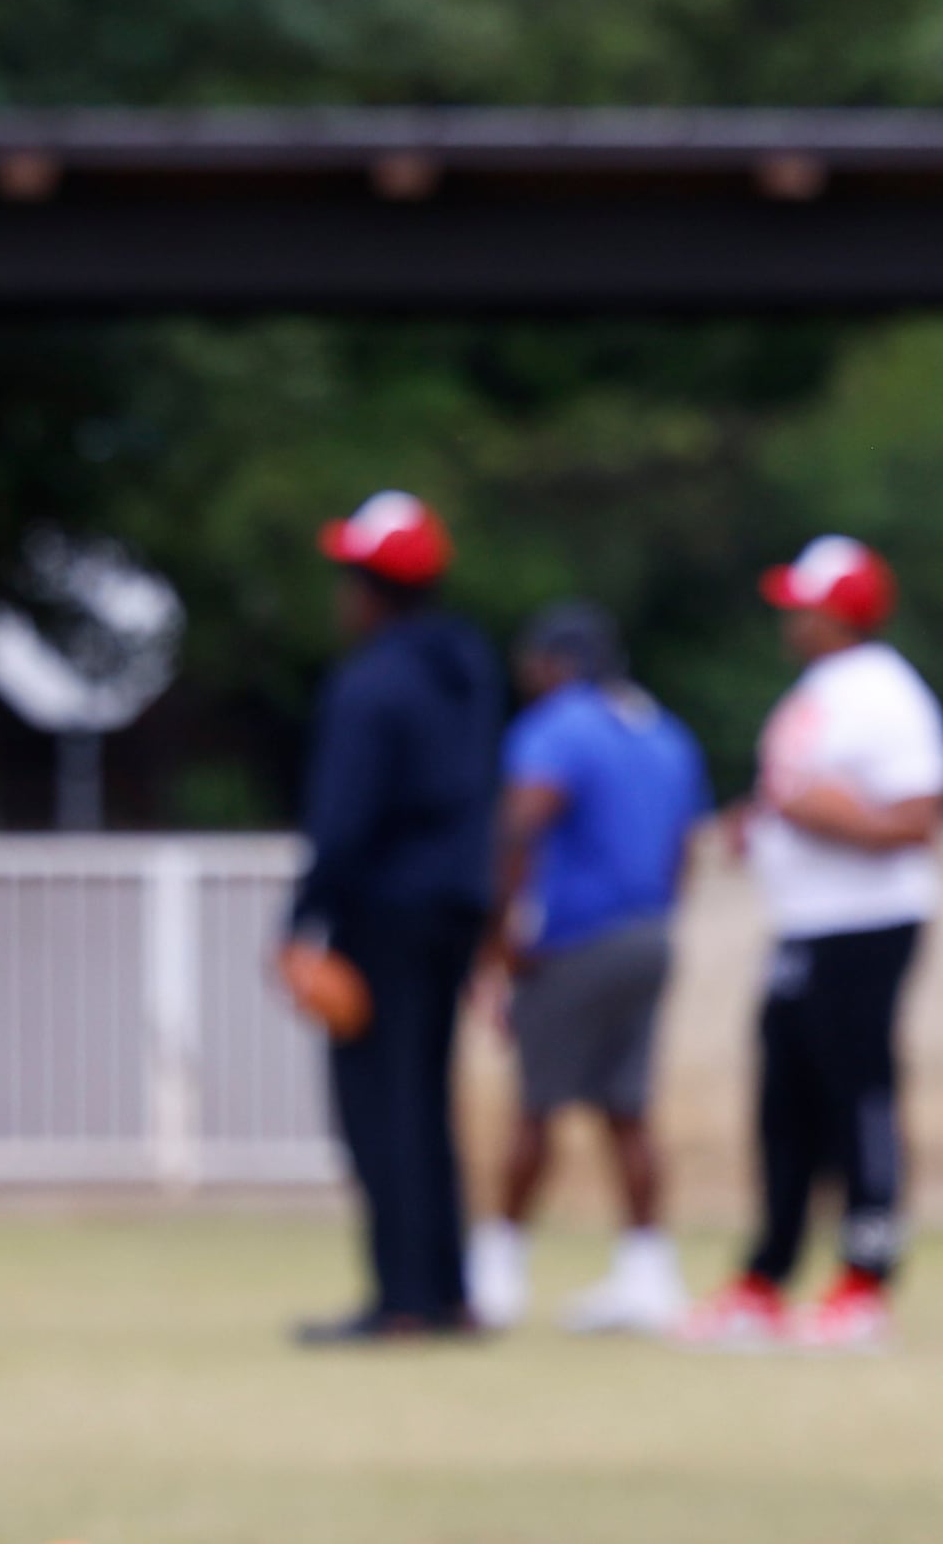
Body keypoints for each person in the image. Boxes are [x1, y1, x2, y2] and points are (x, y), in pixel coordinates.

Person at [678, 536, 943, 1354]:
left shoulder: (888, 694)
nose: (788, 618)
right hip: (802, 923)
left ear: (842, 611)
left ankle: (865, 1283)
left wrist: (829, 818)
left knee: (857, 1096)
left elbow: (919, 817)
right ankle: (765, 1278)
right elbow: (794, 798)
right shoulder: (821, 691)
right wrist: (755, 826)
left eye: (803, 603)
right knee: (783, 1104)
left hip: (864, 922)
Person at [287, 492, 502, 1345]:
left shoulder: (370, 684)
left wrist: (303, 919)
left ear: (370, 590)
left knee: (381, 1107)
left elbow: (344, 819)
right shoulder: (469, 668)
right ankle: (446, 1289)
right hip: (454, 908)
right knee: (429, 1101)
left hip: (381, 913)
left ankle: (401, 1299)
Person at [465, 603, 708, 1335]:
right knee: (626, 1110)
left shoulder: (559, 728)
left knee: (536, 1106)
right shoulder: (663, 733)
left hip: (575, 940)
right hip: (650, 935)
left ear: (553, 664)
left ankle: (498, 1272)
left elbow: (521, 822)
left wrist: (498, 940)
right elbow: (684, 845)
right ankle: (648, 1272)